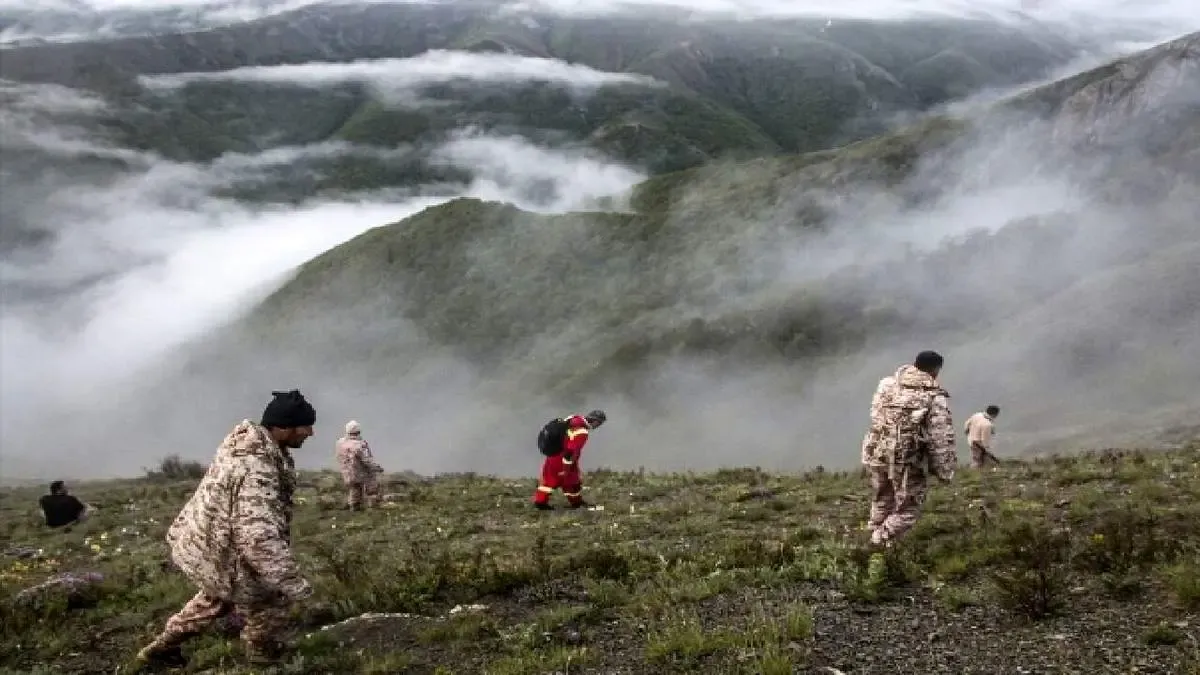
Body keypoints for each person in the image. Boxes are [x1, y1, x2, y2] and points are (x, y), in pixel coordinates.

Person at [135, 389, 317, 669]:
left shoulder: (247, 445)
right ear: (281, 428)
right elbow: (257, 538)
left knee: (215, 599)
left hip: (209, 545)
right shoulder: (256, 468)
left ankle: (160, 650)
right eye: (305, 426)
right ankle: (264, 660)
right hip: (226, 552)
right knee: (269, 603)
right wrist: (295, 585)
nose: (310, 432)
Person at [860, 351, 956, 547]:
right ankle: (879, 541)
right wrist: (944, 471)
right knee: (908, 507)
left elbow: (875, 415)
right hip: (907, 459)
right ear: (935, 370)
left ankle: (874, 530)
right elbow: (940, 438)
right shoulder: (934, 397)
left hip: (877, 452)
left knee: (882, 496)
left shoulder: (887, 385)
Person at [532, 409, 607, 510]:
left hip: (554, 454)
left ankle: (542, 501)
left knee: (557, 480)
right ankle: (542, 503)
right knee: (561, 480)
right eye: (599, 423)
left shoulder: (574, 418)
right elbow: (570, 451)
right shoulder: (582, 432)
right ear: (596, 421)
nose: (598, 426)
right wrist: (566, 468)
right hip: (562, 458)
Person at [336, 420, 383, 510]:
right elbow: (366, 459)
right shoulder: (360, 445)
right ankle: (361, 507)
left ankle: (352, 506)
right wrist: (376, 467)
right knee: (364, 489)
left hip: (346, 471)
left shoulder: (340, 443)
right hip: (359, 471)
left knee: (353, 489)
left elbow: (338, 456)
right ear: (358, 431)